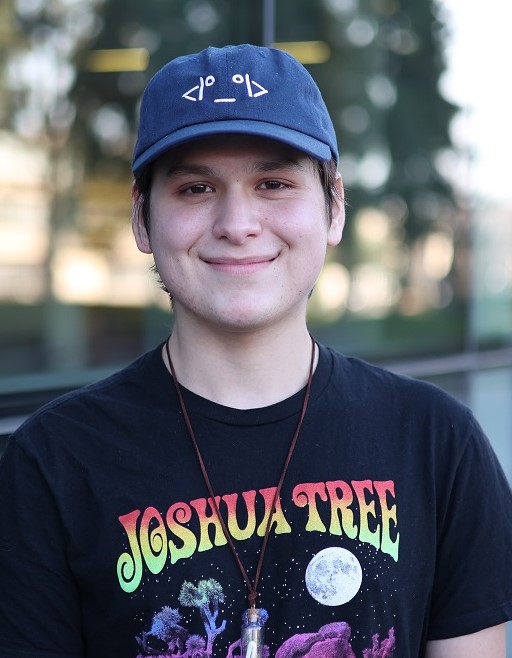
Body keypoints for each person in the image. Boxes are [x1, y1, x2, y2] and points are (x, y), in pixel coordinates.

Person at [0, 44, 511, 658]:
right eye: (195, 188)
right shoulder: (52, 464)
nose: (237, 223)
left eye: (273, 184)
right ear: (141, 218)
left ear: (334, 208)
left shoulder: (436, 441)